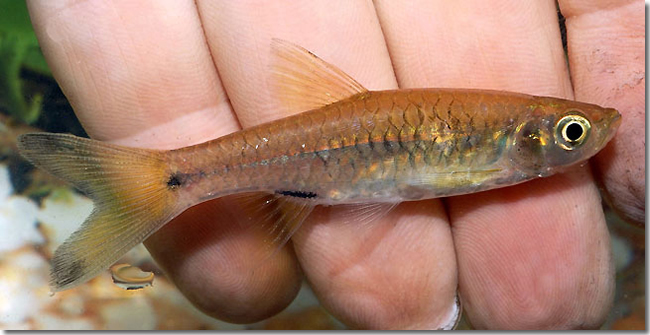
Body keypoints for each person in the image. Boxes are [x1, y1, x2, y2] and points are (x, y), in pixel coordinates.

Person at [27, 1, 644, 329]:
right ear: (526, 138)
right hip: (327, 168)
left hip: (338, 173)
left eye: (573, 132)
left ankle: (172, 180)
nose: (584, 139)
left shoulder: (495, 142)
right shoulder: (498, 140)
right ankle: (171, 179)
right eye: (571, 133)